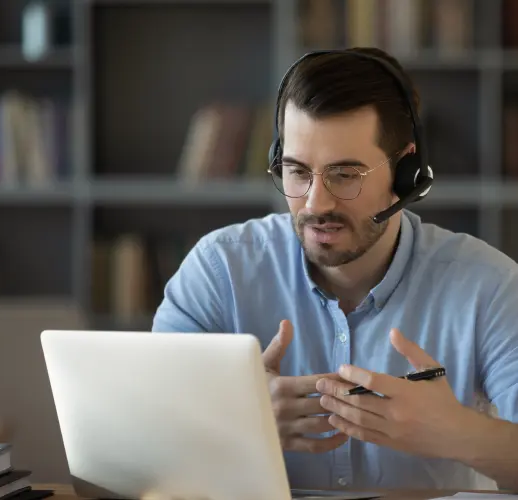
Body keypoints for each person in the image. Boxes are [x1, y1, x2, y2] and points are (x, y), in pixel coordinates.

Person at [151, 47, 518, 491]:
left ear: (408, 173)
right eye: (296, 171)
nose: (314, 204)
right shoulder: (218, 271)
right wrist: (234, 423)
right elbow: (143, 449)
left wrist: (456, 432)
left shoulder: (489, 285)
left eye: (345, 175)